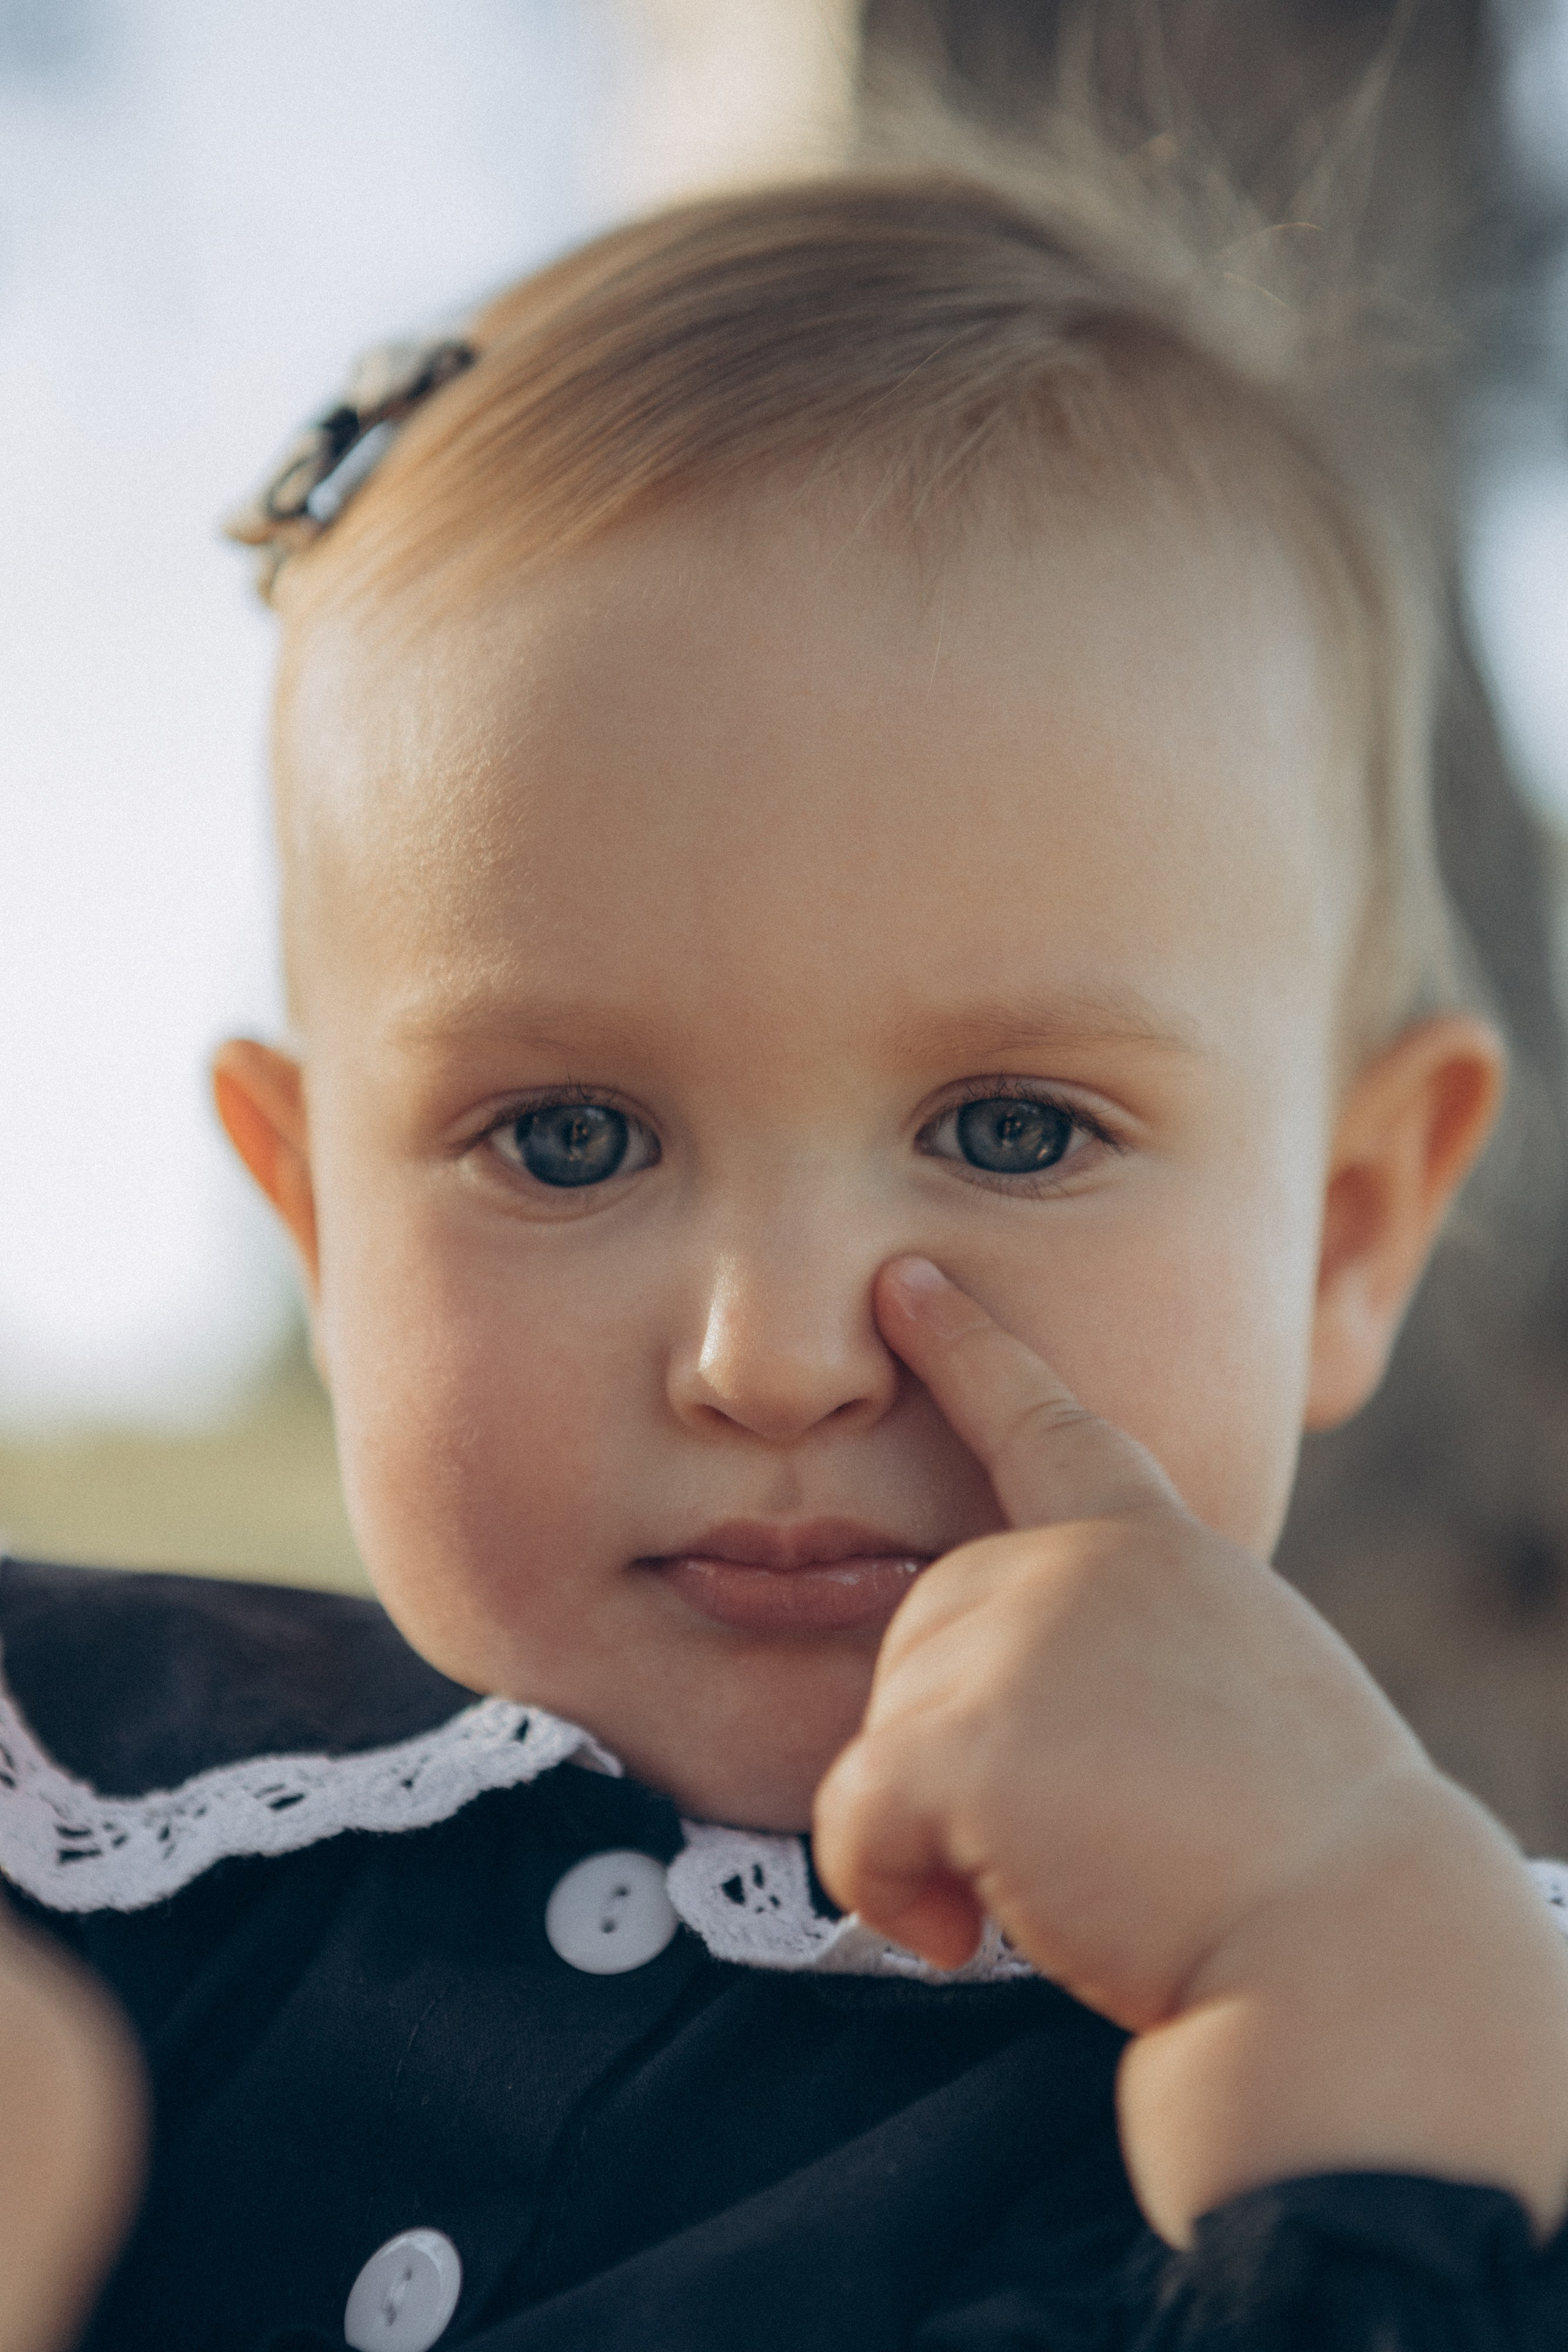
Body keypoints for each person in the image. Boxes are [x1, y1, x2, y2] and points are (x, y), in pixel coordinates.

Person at [6, 105, 1568, 2352]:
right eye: (563, 1140)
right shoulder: (92, 1802)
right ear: (322, 1227)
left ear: (1345, 1227)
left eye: (1016, 1127)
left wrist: (1347, 1996)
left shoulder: (1408, 2058)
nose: (772, 1354)